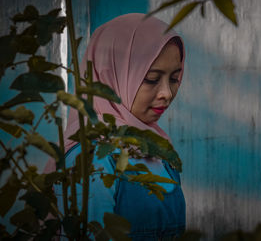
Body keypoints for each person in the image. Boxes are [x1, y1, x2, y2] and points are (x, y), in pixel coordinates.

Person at [47, 13, 186, 240]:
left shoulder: (160, 151)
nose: (166, 94)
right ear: (112, 75)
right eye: (151, 78)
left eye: (174, 79)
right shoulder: (93, 161)